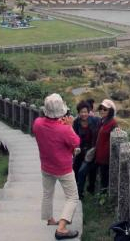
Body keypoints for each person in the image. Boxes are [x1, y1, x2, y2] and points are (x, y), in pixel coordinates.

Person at [32, 93, 80, 240]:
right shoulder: (64, 129)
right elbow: (76, 142)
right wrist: (70, 126)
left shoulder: (37, 123)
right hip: (63, 168)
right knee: (72, 197)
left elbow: (48, 133)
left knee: (48, 193)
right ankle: (61, 228)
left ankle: (50, 220)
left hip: (46, 166)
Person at [72, 100, 101, 198]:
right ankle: (79, 191)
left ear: (89, 112)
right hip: (80, 151)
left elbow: (105, 124)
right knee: (76, 171)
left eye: (85, 112)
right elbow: (74, 136)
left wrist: (116, 128)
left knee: (84, 171)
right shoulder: (76, 122)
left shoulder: (95, 120)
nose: (84, 114)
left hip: (91, 151)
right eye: (81, 112)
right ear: (78, 112)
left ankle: (80, 194)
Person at [94, 99, 118, 194]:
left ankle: (103, 197)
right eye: (101, 108)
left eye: (105, 109)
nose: (102, 111)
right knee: (100, 177)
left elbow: (116, 134)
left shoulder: (113, 123)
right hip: (99, 155)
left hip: (105, 158)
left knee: (104, 179)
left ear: (110, 111)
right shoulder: (103, 121)